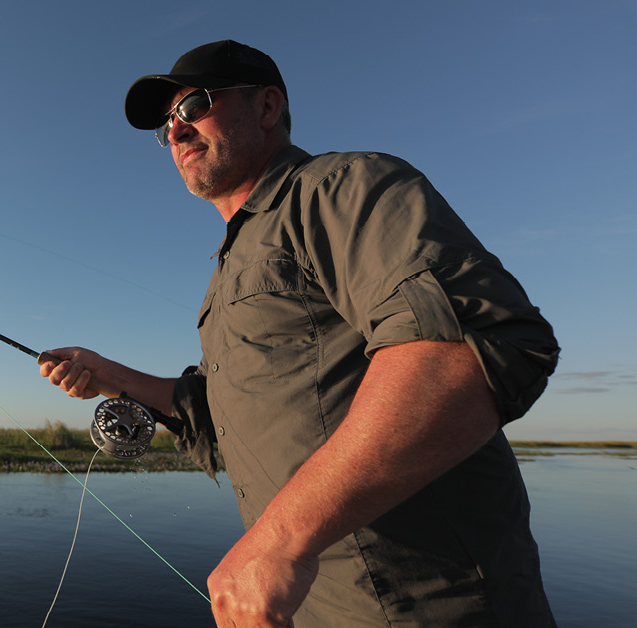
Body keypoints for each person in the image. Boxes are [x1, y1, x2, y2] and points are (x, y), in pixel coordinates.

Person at [39, 40, 559, 627]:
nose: (177, 133)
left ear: (266, 108)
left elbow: (463, 348)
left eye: (195, 107)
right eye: (167, 126)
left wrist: (281, 540)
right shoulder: (226, 270)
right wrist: (113, 377)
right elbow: (222, 419)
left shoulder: (339, 188)